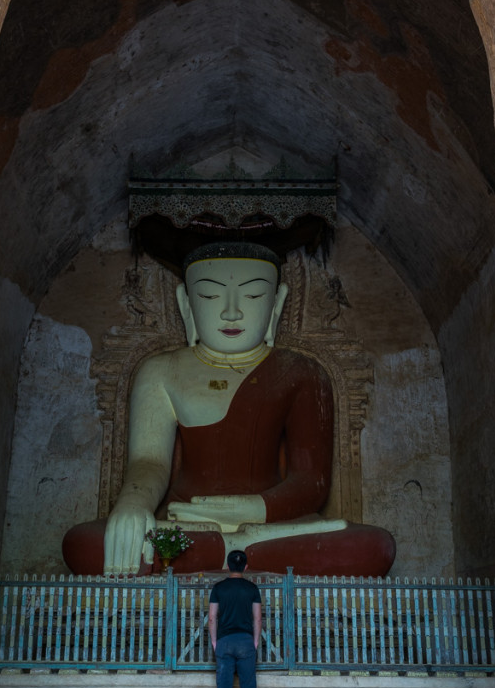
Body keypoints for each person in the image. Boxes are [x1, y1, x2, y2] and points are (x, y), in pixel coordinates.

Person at [62, 240, 396, 577]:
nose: (232, 311)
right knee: (86, 544)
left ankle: (224, 550)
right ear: (186, 304)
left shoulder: (302, 372)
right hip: (186, 521)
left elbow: (311, 481)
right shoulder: (160, 372)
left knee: (373, 546)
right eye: (209, 295)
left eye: (253, 296)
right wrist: (133, 506)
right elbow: (150, 461)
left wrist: (251, 510)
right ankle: (239, 552)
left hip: (272, 523)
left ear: (276, 304)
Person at [208, 549, 262, 688]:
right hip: (245, 641)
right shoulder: (252, 589)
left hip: (225, 641)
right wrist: (254, 641)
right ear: (246, 567)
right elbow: (257, 618)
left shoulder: (219, 588)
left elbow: (212, 617)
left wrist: (215, 641)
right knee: (248, 687)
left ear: (227, 566)